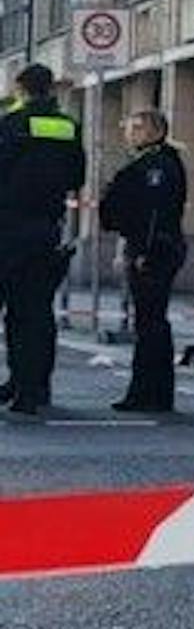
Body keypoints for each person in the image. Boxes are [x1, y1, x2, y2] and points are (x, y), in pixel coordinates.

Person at [0, 64, 86, 418]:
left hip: (8, 228)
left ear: (21, 89)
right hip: (48, 227)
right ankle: (35, 387)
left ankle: (20, 385)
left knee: (14, 312)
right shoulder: (69, 126)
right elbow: (77, 176)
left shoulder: (11, 125)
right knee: (37, 311)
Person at [99, 107, 188, 415]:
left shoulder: (156, 166)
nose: (129, 133)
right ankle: (153, 393)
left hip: (153, 250)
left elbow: (153, 212)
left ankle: (147, 393)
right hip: (155, 247)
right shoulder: (157, 162)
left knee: (150, 324)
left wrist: (144, 252)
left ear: (153, 131)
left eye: (136, 128)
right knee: (151, 322)